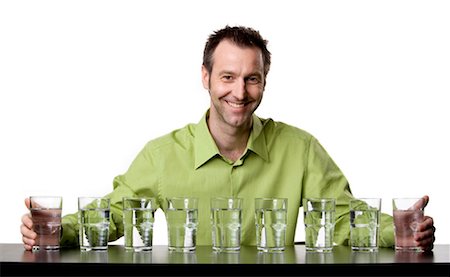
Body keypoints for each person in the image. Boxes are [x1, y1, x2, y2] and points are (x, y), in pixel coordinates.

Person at [20, 25, 436, 251]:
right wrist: (56, 229)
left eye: (251, 79)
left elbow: (344, 218)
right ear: (206, 78)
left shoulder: (300, 149)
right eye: (227, 77)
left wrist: (396, 231)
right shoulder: (163, 156)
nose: (239, 92)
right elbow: (112, 215)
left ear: (264, 82)